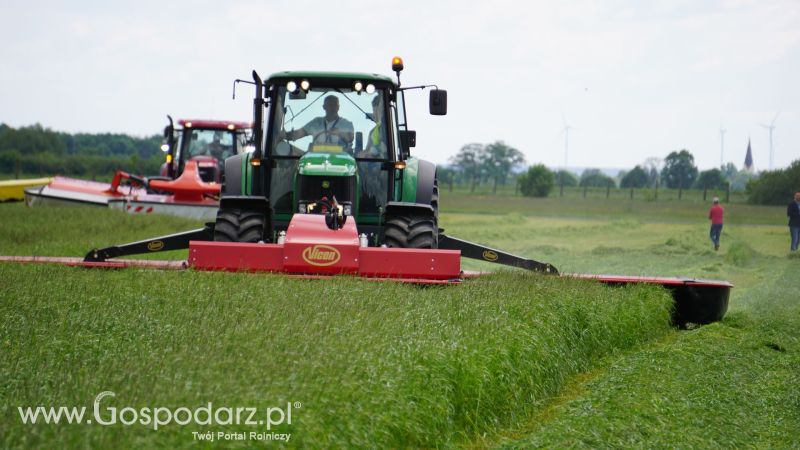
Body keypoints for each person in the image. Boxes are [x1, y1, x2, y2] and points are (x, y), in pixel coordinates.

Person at [283, 95, 354, 151]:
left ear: (338, 107)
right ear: (324, 107)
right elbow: (297, 134)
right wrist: (282, 135)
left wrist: (339, 133)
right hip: (315, 158)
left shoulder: (347, 124)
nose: (333, 107)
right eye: (330, 105)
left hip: (341, 160)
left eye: (335, 104)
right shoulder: (316, 122)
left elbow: (350, 138)